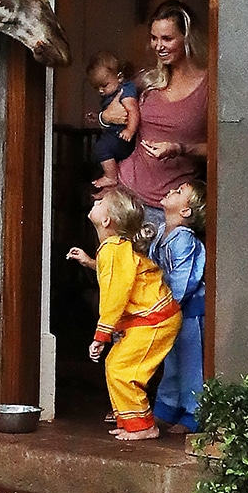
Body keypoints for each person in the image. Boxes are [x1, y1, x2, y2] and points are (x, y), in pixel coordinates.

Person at [66, 186, 181, 441]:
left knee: (124, 371)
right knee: (116, 365)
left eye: (99, 203)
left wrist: (101, 334)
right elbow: (119, 277)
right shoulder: (112, 248)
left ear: (107, 220)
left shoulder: (113, 249)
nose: (94, 203)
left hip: (154, 320)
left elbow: (116, 293)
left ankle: (144, 427)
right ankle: (131, 422)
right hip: (151, 317)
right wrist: (90, 263)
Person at [99, 0, 207, 225]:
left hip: (171, 210)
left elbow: (223, 150)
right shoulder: (146, 82)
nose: (159, 46)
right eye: (154, 38)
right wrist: (105, 117)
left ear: (186, 38)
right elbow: (110, 117)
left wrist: (180, 148)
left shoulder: (208, 87)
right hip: (125, 198)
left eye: (167, 38)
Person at [149, 180, 207, 434]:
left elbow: (183, 279)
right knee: (171, 361)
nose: (171, 190)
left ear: (186, 211)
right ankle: (167, 408)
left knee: (191, 363)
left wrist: (165, 303)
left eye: (180, 192)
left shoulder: (184, 239)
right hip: (168, 309)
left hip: (186, 311)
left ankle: (195, 412)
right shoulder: (163, 232)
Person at [86, 50, 139, 189]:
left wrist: (130, 130)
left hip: (124, 137)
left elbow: (133, 110)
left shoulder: (125, 91)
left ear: (119, 77)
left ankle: (111, 176)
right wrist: (99, 116)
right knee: (100, 150)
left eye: (104, 85)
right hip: (115, 134)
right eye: (96, 88)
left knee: (101, 148)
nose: (101, 91)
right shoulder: (112, 93)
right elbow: (110, 115)